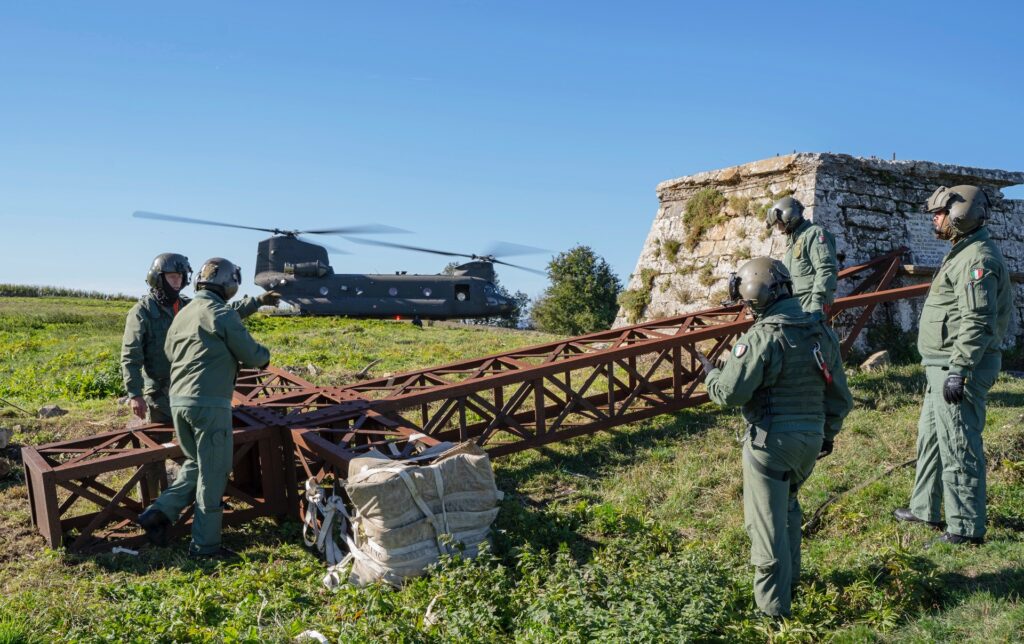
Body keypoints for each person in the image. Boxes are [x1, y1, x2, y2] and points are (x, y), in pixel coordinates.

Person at [696, 257, 853, 618]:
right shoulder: (820, 330)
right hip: (811, 441)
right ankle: (791, 583)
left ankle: (772, 612)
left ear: (754, 296)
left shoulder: (761, 336)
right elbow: (841, 397)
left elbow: (731, 394)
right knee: (787, 511)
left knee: (765, 527)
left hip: (771, 445)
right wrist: (826, 433)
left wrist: (711, 377)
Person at [893, 185, 1012, 545]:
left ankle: (964, 527)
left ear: (960, 216)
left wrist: (959, 368)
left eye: (940, 213)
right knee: (931, 439)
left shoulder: (977, 259)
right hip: (941, 364)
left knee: (959, 443)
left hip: (958, 367)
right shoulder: (962, 252)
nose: (935, 219)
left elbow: (977, 320)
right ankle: (924, 507)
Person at [137, 258, 272, 558]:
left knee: (197, 464)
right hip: (209, 405)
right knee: (214, 475)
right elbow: (252, 356)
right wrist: (265, 356)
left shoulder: (183, 315)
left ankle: (159, 512)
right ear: (229, 285)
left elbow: (170, 353)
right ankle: (205, 546)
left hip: (178, 403)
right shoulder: (222, 313)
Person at [121, 252, 278, 424]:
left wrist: (257, 301)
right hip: (159, 392)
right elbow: (131, 355)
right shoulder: (141, 313)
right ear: (158, 279)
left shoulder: (188, 306)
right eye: (172, 277)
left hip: (190, 384)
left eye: (180, 277)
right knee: (161, 442)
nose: (177, 282)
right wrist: (135, 394)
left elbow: (222, 313)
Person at [765, 196, 838, 315]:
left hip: (810, 307)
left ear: (788, 217)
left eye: (778, 223)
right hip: (797, 308)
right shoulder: (794, 242)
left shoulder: (814, 234)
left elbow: (826, 270)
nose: (779, 228)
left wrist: (817, 305)